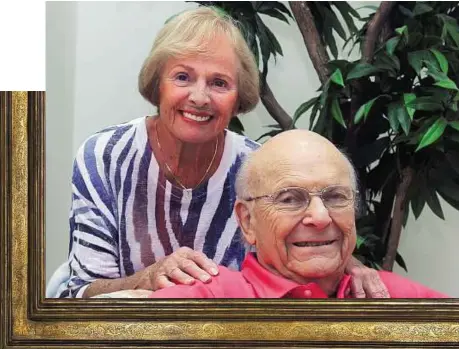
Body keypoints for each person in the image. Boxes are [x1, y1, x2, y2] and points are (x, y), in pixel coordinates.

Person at [54, 7, 388, 298]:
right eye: (183, 77)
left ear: (238, 97)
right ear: (158, 84)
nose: (199, 97)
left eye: (218, 83)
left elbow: (303, 230)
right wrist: (147, 279)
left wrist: (350, 266)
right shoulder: (105, 156)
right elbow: (81, 290)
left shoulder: (257, 167)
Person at [148, 130, 448, 299]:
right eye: (290, 199)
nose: (320, 217)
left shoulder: (388, 296)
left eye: (335, 197)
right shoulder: (207, 300)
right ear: (247, 221)